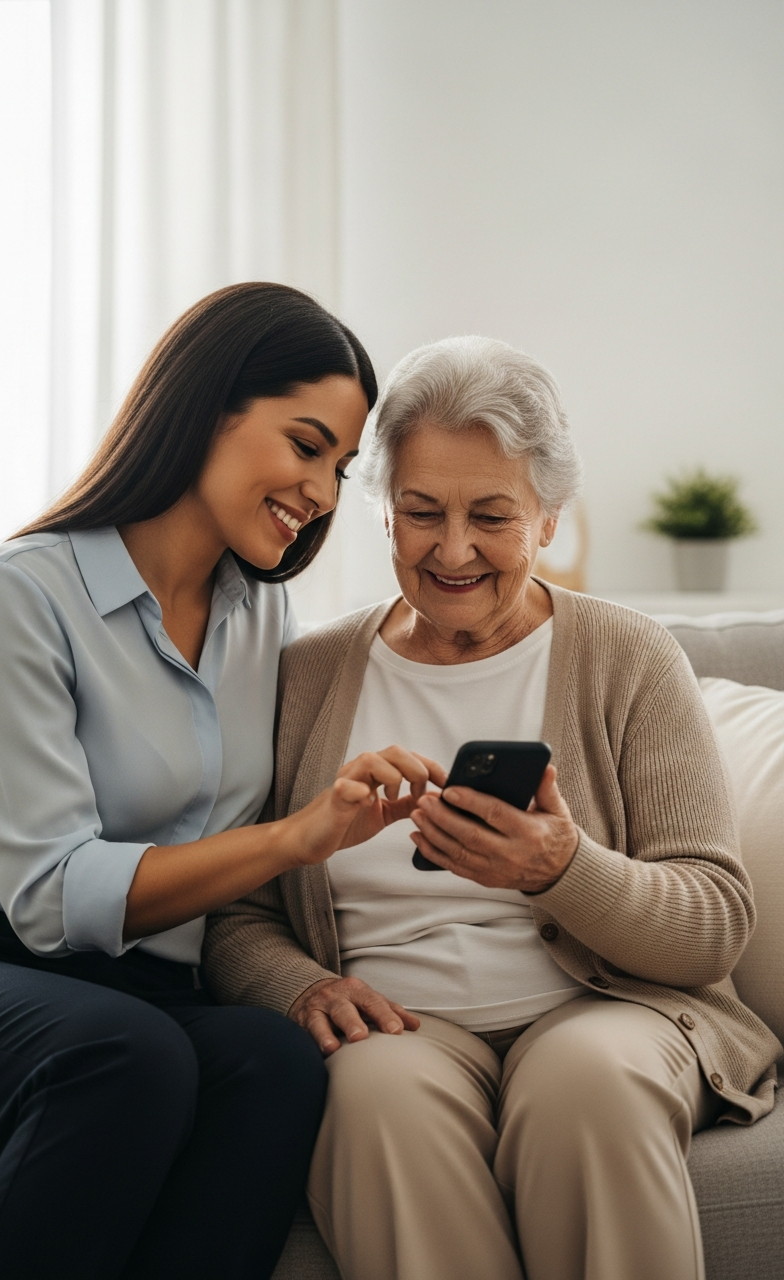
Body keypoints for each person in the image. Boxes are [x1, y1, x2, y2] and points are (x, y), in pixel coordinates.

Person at [0, 283, 444, 1280]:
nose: (319, 490)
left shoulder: (258, 621)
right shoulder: (20, 593)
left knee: (271, 1063)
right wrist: (294, 836)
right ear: (211, 407)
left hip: (140, 989)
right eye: (304, 443)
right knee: (128, 1057)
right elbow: (53, 895)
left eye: (340, 466)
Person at [205, 334, 783, 1280]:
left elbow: (714, 922)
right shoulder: (305, 675)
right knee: (370, 1096)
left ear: (550, 519)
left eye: (493, 516)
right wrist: (300, 989)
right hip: (401, 1025)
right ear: (384, 518)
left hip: (607, 1009)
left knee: (587, 1086)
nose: (455, 549)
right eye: (422, 512)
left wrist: (561, 870)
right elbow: (238, 909)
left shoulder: (628, 657)